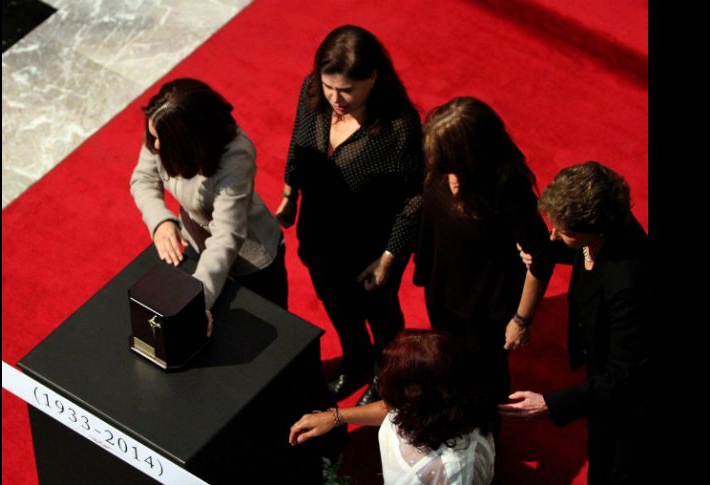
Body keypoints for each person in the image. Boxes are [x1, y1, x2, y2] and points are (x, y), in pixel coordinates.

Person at [276, 25, 424, 405]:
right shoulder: (312, 91)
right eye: (329, 86)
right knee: (339, 308)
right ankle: (357, 360)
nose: (335, 98)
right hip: (319, 238)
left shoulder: (399, 128)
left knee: (382, 318)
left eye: (346, 90)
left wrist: (390, 256)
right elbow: (297, 143)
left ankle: (386, 376)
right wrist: (290, 193)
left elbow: (414, 199)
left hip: (368, 249)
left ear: (372, 77)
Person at [498, 161, 647, 484]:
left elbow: (625, 379)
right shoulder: (604, 234)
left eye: (564, 231)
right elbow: (578, 252)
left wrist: (549, 404)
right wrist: (544, 252)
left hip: (630, 404)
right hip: (602, 380)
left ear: (596, 229)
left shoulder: (629, 283)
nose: (553, 234)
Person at [413, 96, 554, 421]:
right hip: (441, 287)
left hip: (485, 306)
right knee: (448, 363)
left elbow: (541, 257)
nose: (434, 161)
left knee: (485, 380)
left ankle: (484, 435)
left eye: (443, 157)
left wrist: (521, 320)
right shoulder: (439, 169)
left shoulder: (507, 187)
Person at [130, 78, 288, 327]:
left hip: (249, 264)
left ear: (190, 140)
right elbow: (144, 179)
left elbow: (226, 235)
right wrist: (160, 221)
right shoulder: (163, 131)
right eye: (153, 137)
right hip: (197, 244)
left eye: (161, 140)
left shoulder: (236, 157)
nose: (155, 146)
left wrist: (195, 302)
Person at [289, 329, 496, 484]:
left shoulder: (455, 471)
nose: (380, 381)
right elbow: (393, 409)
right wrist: (336, 417)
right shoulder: (425, 408)